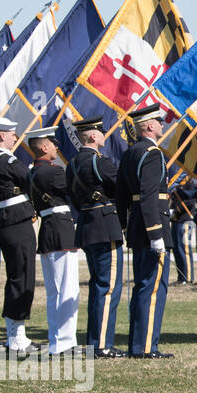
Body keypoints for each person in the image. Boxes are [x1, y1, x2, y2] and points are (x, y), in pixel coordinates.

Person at [116, 105, 175, 359]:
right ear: (149, 126)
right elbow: (150, 196)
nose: (162, 125)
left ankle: (138, 344)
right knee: (152, 288)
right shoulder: (152, 153)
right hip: (152, 227)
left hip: (137, 225)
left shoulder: (131, 153)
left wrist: (125, 225)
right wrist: (156, 234)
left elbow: (121, 196)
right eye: (159, 122)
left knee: (143, 286)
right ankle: (146, 346)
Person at [67, 118, 126, 356]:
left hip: (87, 225)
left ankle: (95, 341)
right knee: (108, 287)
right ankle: (101, 345)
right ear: (92, 136)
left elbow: (71, 194)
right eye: (101, 132)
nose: (104, 135)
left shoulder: (71, 164)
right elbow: (120, 187)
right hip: (105, 225)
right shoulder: (99, 162)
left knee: (97, 287)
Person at [26, 128, 80, 356]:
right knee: (67, 288)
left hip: (48, 230)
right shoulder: (54, 173)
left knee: (54, 291)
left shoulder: (31, 173)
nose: (57, 148)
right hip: (60, 230)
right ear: (45, 147)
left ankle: (57, 339)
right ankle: (65, 341)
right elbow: (75, 189)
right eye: (53, 144)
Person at [0, 118, 37, 354]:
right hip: (16, 222)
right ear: (0, 136)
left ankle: (16, 334)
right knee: (21, 276)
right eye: (11, 135)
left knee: (18, 276)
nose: (14, 138)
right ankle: (15, 337)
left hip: (8, 221)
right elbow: (31, 180)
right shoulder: (6, 159)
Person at [170, 181, 195, 284]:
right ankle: (181, 276)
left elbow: (190, 201)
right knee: (176, 249)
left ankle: (188, 276)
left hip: (185, 220)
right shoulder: (176, 183)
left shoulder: (189, 183)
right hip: (176, 220)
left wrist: (176, 211)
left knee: (184, 249)